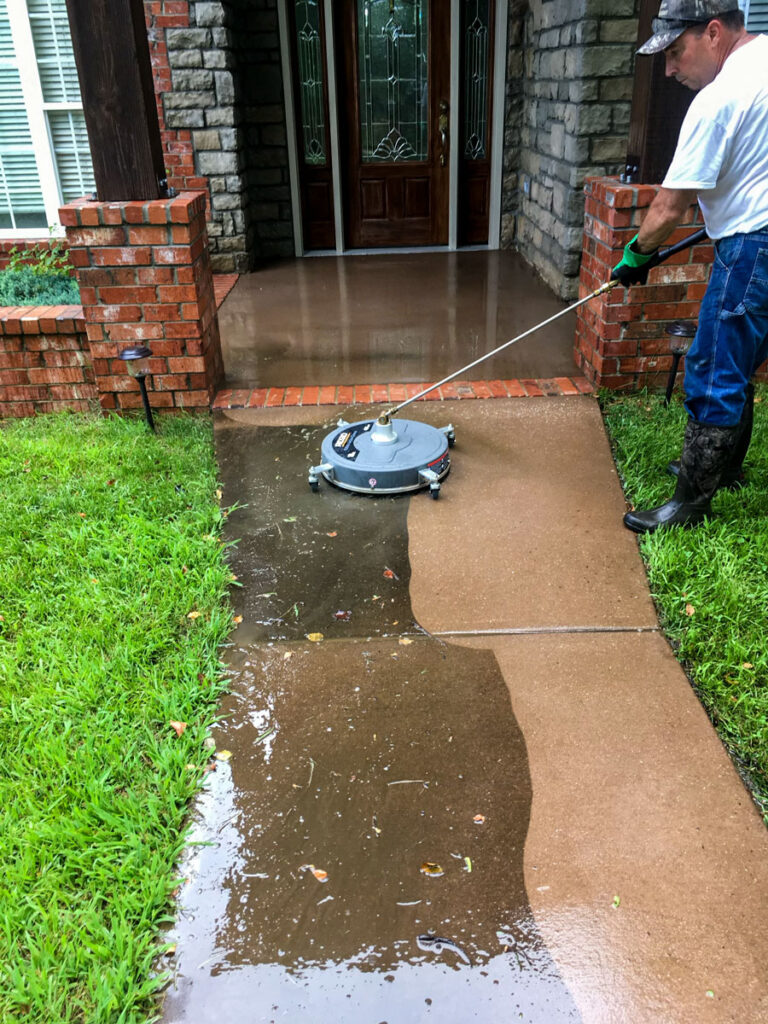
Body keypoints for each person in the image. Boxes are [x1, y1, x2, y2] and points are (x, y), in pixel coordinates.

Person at [611, 1, 768, 534]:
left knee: (713, 364)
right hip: (757, 236)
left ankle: (689, 506)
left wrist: (635, 256)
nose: (671, 69)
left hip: (752, 248)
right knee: (740, 363)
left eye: (676, 53)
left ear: (715, 32)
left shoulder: (718, 98)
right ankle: (722, 471)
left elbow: (668, 207)